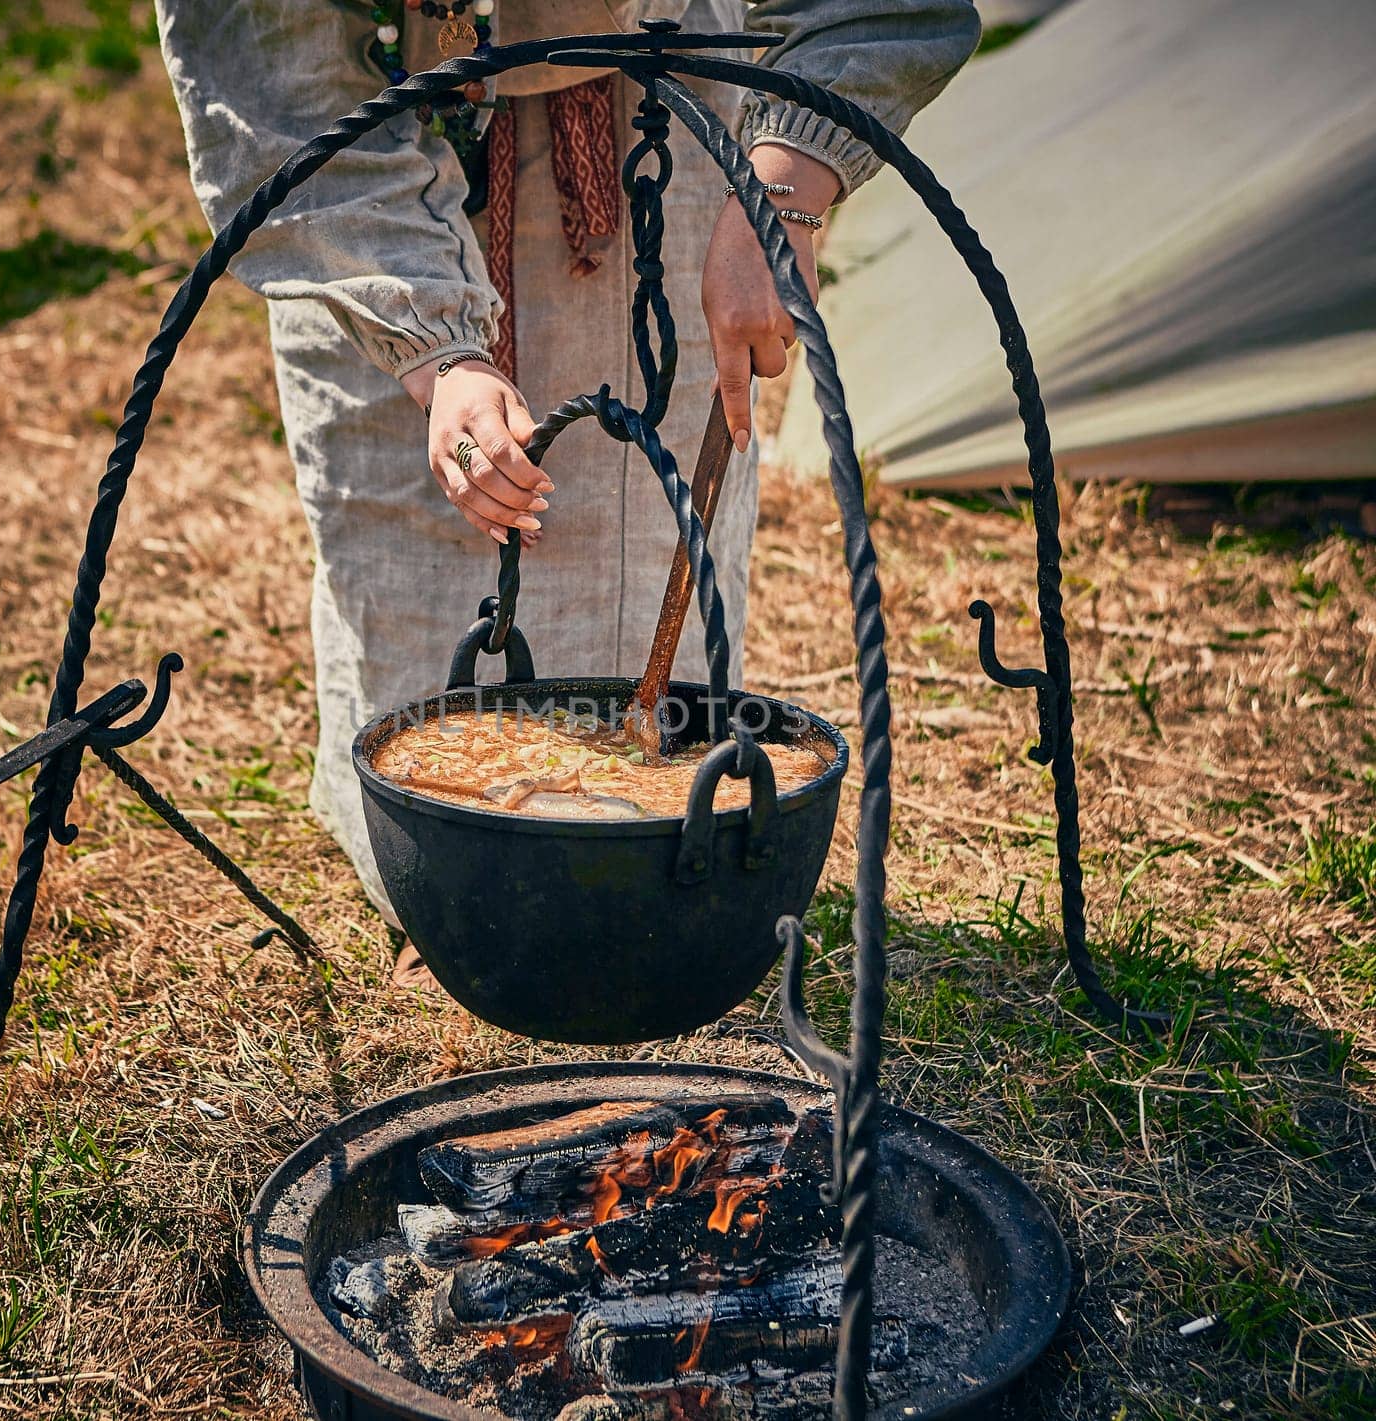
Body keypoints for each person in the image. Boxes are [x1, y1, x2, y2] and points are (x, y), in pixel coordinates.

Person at [155, 0, 979, 981]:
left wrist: (784, 193)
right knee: (427, 576)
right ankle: (438, 890)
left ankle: (658, 863)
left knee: (644, 533)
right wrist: (434, 349)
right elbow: (270, 75)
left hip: (665, 131)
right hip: (383, 157)